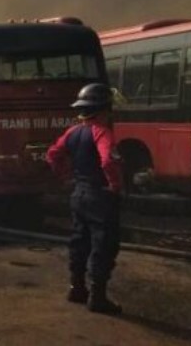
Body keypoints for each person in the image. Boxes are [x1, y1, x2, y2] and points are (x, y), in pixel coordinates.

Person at [46, 83, 123, 315]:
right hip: (99, 196)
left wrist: (65, 177)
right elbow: (108, 160)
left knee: (80, 241)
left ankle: (76, 289)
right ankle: (98, 297)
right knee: (103, 244)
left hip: (78, 194)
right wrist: (115, 185)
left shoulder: (73, 132)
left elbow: (52, 155)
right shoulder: (101, 132)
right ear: (103, 109)